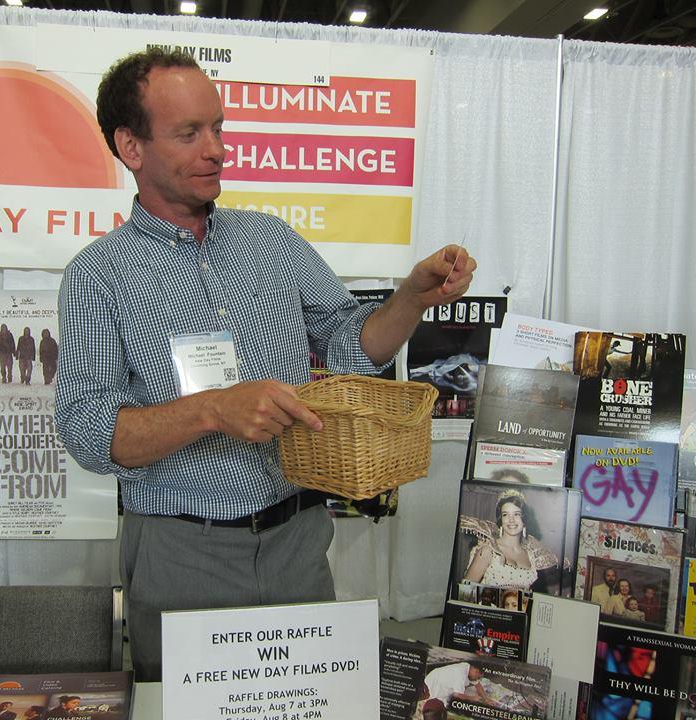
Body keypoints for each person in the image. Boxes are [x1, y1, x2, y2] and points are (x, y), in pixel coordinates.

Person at [54, 48, 476, 682]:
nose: (216, 149)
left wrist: (411, 298)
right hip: (179, 553)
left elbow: (347, 347)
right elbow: (86, 430)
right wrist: (212, 409)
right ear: (131, 147)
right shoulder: (98, 275)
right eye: (188, 133)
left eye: (218, 128)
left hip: (296, 543)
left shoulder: (271, 240)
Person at [462, 489, 558, 592]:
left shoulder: (531, 556)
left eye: (517, 514)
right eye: (505, 514)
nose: (511, 520)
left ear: (524, 520)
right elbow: (464, 592)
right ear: (501, 520)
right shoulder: (488, 550)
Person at [424, 662, 494, 709]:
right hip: (433, 686)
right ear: (476, 671)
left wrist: (486, 699)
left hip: (438, 680)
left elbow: (478, 685)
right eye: (478, 677)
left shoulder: (468, 668)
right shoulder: (461, 673)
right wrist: (473, 698)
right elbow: (457, 695)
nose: (478, 679)